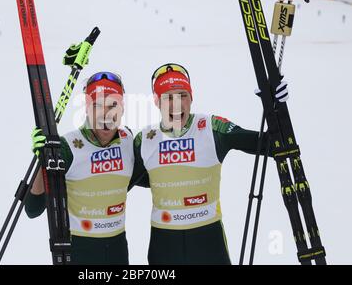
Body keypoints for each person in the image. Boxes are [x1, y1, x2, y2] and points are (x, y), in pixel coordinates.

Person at [132, 63, 288, 265]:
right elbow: (120, 184)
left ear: (191, 97)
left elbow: (271, 146)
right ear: (156, 101)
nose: (176, 104)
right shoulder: (145, 139)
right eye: (168, 97)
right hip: (165, 246)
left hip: (208, 242)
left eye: (182, 95)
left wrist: (276, 109)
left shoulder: (212, 128)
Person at [25, 69, 145, 265]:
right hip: (80, 253)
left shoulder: (128, 141)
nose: (106, 114)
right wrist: (42, 159)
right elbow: (33, 209)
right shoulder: (68, 146)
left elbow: (154, 177)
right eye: (97, 106)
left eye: (113, 105)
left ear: (122, 109)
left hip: (118, 252)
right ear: (87, 109)